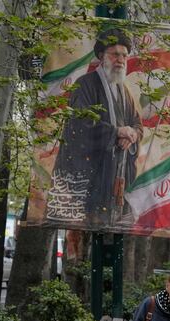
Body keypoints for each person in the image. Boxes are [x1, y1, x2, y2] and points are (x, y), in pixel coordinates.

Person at [47, 28, 144, 226]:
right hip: (86, 181)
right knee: (82, 235)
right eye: (115, 54)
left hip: (115, 179)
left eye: (124, 55)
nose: (121, 59)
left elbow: (136, 124)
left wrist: (131, 134)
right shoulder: (85, 84)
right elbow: (79, 124)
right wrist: (116, 132)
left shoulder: (125, 91)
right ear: (102, 56)